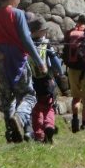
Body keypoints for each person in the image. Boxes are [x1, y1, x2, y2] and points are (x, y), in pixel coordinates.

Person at [0, 0, 47, 143]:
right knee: (28, 96)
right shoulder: (17, 14)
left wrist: (0, 50)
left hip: (2, 62)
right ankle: (20, 117)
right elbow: (26, 40)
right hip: (19, 61)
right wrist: (39, 62)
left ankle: (11, 133)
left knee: (7, 98)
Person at [29, 14, 65, 143]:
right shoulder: (46, 44)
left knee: (36, 109)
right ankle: (49, 126)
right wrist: (60, 73)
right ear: (41, 30)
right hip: (47, 81)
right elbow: (55, 61)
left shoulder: (27, 44)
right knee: (49, 107)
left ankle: (39, 134)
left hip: (32, 82)